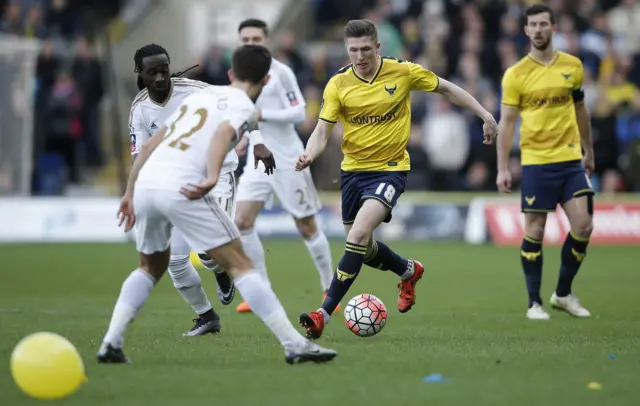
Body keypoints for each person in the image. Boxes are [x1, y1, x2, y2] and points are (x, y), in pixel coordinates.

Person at [98, 44, 337, 365]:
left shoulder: (198, 97)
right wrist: (211, 176)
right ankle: (296, 345)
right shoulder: (242, 106)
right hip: (182, 185)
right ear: (266, 82)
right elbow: (225, 132)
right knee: (241, 264)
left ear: (229, 73)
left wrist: (129, 192)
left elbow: (157, 139)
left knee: (149, 267)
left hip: (148, 184)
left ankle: (111, 343)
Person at [296, 19, 498, 339]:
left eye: (365, 49)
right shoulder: (338, 84)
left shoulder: (402, 72)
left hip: (390, 168)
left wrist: (485, 115)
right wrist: (310, 153)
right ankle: (408, 270)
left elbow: (446, 87)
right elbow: (322, 130)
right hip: (352, 172)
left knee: (359, 233)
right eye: (353, 51)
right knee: (361, 245)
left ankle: (324, 312)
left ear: (377, 47)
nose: (359, 56)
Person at [128, 44, 244, 336]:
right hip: (175, 183)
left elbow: (240, 103)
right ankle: (207, 316)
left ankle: (221, 270)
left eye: (163, 69)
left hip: (215, 172)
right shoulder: (140, 109)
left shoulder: (195, 91)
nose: (159, 77)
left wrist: (253, 137)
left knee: (208, 249)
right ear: (140, 73)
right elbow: (139, 157)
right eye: (151, 72)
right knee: (176, 262)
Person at [497, 4, 594, 320]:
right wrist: (502, 167)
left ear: (553, 28)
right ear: (526, 31)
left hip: (570, 159)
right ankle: (534, 303)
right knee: (535, 231)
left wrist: (588, 151)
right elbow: (507, 123)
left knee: (583, 225)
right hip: (536, 162)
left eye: (543, 24)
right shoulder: (516, 75)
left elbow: (581, 110)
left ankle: (562, 293)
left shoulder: (572, 66)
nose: (538, 30)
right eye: (532, 25)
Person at [232, 19, 334, 314]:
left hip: (288, 159)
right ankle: (260, 292)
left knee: (306, 225)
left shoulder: (280, 72)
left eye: (256, 38)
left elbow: (299, 113)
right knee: (242, 222)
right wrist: (241, 138)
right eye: (246, 39)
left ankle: (330, 289)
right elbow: (242, 114)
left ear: (267, 40)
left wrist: (263, 113)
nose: (251, 43)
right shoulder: (240, 75)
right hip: (256, 158)